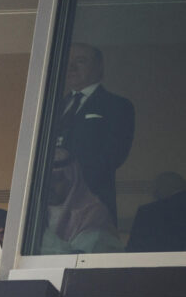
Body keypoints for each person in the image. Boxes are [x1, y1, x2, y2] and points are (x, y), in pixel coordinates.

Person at [56, 43, 135, 225]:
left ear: (98, 67)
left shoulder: (116, 105)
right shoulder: (53, 107)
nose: (71, 67)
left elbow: (113, 156)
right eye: (68, 62)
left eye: (80, 61)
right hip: (52, 205)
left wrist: (72, 172)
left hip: (91, 201)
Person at [40, 149, 122, 255]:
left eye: (56, 179)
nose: (50, 186)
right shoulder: (37, 211)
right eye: (47, 181)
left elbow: (81, 257)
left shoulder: (93, 213)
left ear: (72, 179)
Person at [126, 172, 186, 253]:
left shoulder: (148, 212)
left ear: (163, 187)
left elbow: (134, 248)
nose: (154, 192)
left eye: (156, 188)